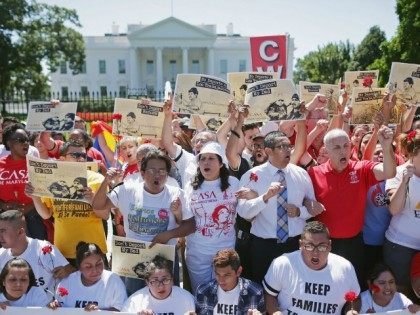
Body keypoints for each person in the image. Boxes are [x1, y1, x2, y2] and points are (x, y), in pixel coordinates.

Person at [92, 150, 195, 295]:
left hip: (165, 259)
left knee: (167, 298)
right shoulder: (126, 190)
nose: (157, 175)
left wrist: (168, 235)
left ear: (167, 174)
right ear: (142, 173)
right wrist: (106, 181)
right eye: (152, 170)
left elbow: (191, 225)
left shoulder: (177, 194)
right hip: (134, 259)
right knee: (134, 298)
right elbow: (98, 205)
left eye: (162, 171)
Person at [307, 127, 396, 287]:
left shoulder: (362, 169)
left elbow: (389, 172)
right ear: (326, 150)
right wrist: (308, 203)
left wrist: (386, 146)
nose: (343, 151)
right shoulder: (313, 173)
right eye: (337, 147)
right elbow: (302, 200)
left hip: (354, 243)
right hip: (324, 244)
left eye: (346, 146)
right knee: (325, 285)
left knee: (351, 286)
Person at [237, 131, 318, 283]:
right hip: (264, 246)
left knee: (294, 287)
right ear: (268, 151)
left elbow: (312, 208)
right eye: (282, 146)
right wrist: (264, 198)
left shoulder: (301, 174)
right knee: (264, 288)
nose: (288, 150)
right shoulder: (252, 176)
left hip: (295, 244)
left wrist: (299, 211)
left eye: (289, 146)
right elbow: (243, 212)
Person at [27, 141, 107, 264]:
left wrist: (92, 200)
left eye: (83, 155)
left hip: (93, 249)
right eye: (75, 155)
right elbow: (46, 215)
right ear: (62, 159)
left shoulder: (98, 179)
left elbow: (105, 215)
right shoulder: (53, 181)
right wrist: (35, 197)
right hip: (63, 250)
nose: (81, 159)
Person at [263, 221, 360, 315]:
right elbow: (269, 295)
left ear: (330, 245)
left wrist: (351, 311)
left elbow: (355, 298)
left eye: (322, 247)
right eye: (309, 246)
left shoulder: (345, 268)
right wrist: (274, 312)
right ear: (301, 245)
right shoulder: (283, 264)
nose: (315, 253)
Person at [184, 142, 239, 292]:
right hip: (197, 252)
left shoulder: (234, 183)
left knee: (224, 293)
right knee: (201, 293)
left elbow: (246, 210)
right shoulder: (189, 186)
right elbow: (185, 219)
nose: (206, 162)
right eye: (203, 159)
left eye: (211, 158)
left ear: (221, 163)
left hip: (225, 250)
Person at [384, 130, 420, 298]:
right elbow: (393, 209)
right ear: (414, 152)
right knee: (402, 295)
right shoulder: (397, 173)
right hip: (400, 247)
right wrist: (405, 181)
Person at [0, 210, 73, 293]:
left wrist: (68, 270)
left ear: (20, 232)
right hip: (11, 306)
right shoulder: (1, 255)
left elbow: (72, 275)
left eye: (3, 231)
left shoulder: (44, 249)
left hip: (47, 305)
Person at [0, 123, 47, 240]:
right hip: (5, 218)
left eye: (27, 140)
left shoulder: (36, 165)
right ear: (9, 143)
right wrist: (4, 205)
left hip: (33, 217)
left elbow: (46, 193)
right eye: (20, 140)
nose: (25, 143)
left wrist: (29, 207)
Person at [49, 242, 126, 311]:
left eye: (99, 264)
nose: (95, 270)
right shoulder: (67, 282)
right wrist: (55, 306)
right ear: (79, 268)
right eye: (88, 266)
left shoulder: (113, 280)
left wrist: (99, 312)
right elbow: (61, 306)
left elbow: (121, 310)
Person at [195, 249, 265, 314]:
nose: (221, 280)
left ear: (238, 271)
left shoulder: (255, 292)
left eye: (226, 275)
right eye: (217, 274)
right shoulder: (203, 291)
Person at [122, 255, 195, 314]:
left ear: (172, 280)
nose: (161, 286)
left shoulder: (186, 298)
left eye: (165, 280)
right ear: (147, 282)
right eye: (154, 281)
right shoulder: (134, 302)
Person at [353, 263, 420, 314]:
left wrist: (417, 311)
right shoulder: (360, 302)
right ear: (370, 284)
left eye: (391, 282)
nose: (388, 287)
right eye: (382, 283)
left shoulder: (402, 300)